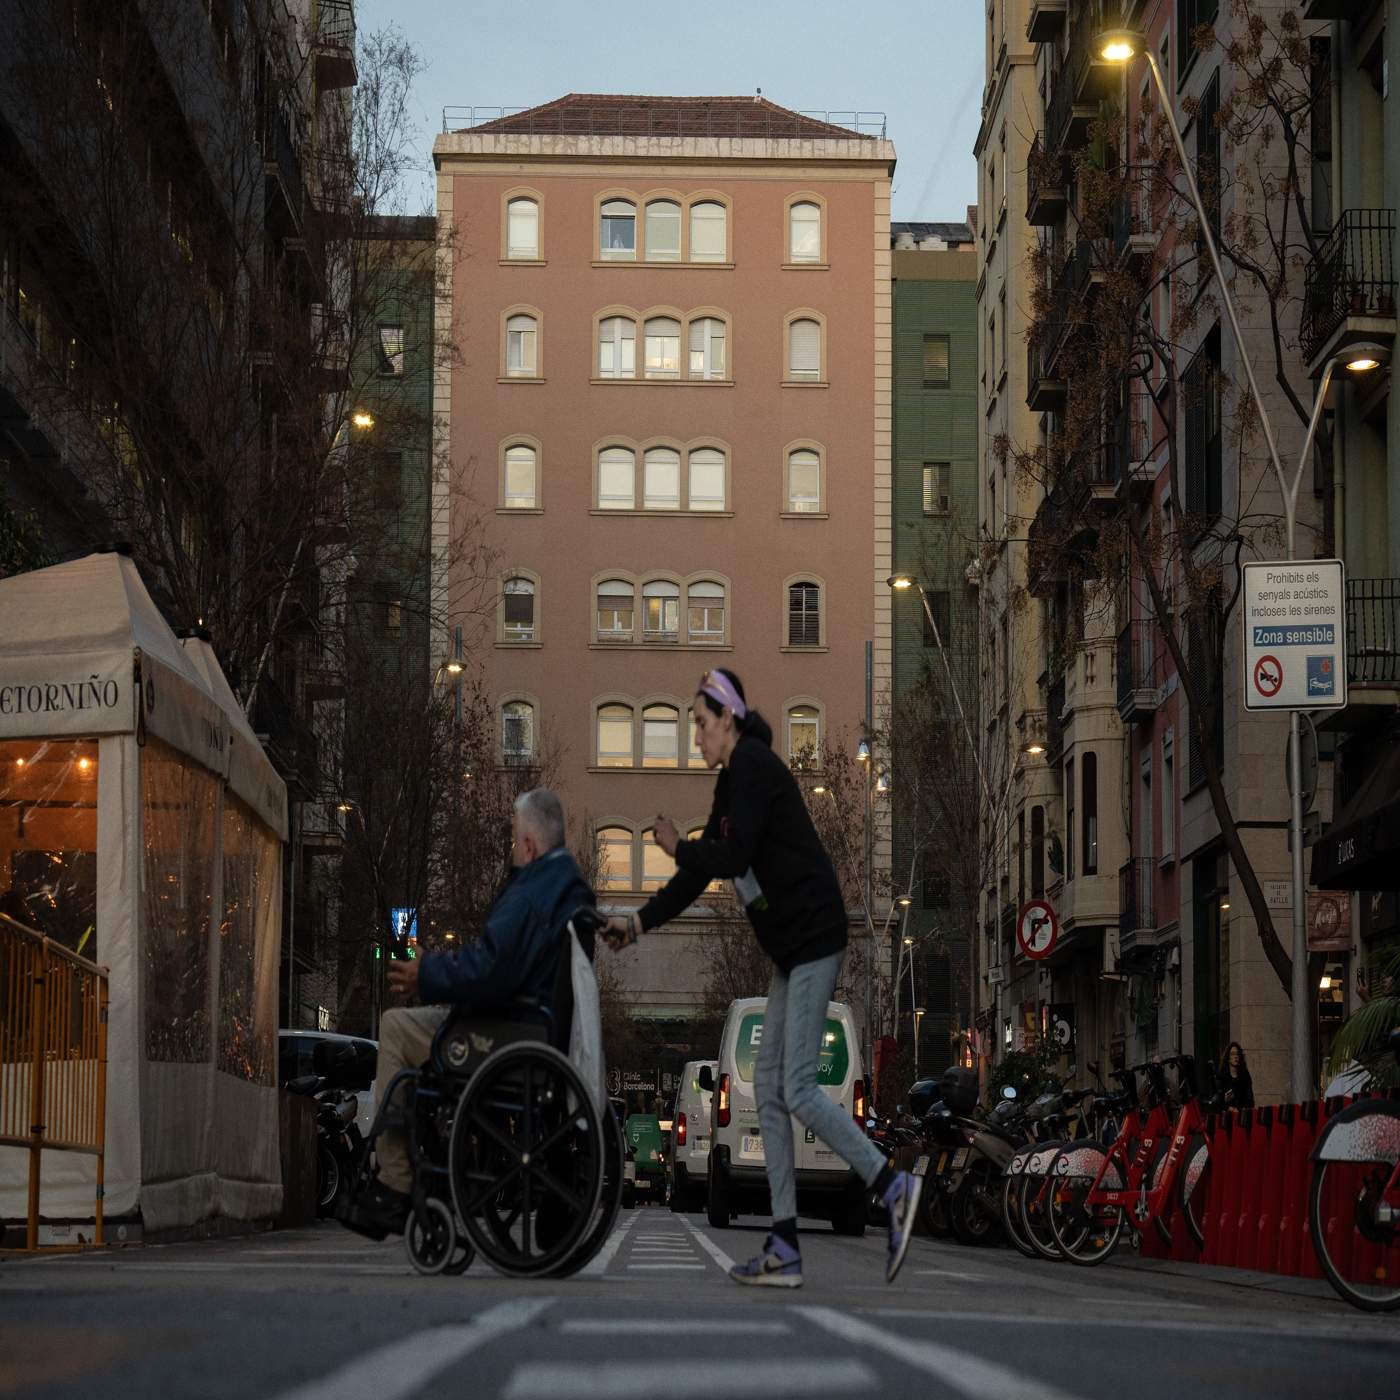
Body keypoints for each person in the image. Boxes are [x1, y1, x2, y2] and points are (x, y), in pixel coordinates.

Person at [605, 668, 921, 1288]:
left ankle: (892, 1185)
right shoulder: (734, 782)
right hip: (791, 949)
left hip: (813, 938)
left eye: (699, 723)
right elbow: (703, 873)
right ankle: (783, 1245)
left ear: (728, 718)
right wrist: (639, 923)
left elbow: (732, 857)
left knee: (797, 1090)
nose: (695, 736)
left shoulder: (753, 765)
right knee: (773, 1090)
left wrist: (676, 847)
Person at [355, 787, 592, 1235]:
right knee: (410, 1028)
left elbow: (490, 970)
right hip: (532, 1029)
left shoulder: (530, 895)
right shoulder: (568, 887)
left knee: (395, 1027)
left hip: (504, 1034)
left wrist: (426, 973)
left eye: (511, 838)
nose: (509, 847)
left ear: (529, 845)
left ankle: (394, 1181)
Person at [1219, 1042, 1254, 1111]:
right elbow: (1218, 1101)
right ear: (1228, 1057)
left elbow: (1250, 1098)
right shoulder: (1222, 1075)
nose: (1236, 1056)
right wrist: (1229, 1108)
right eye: (1232, 1054)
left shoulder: (1245, 1075)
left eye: (1237, 1054)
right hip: (1227, 1116)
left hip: (1242, 1115)